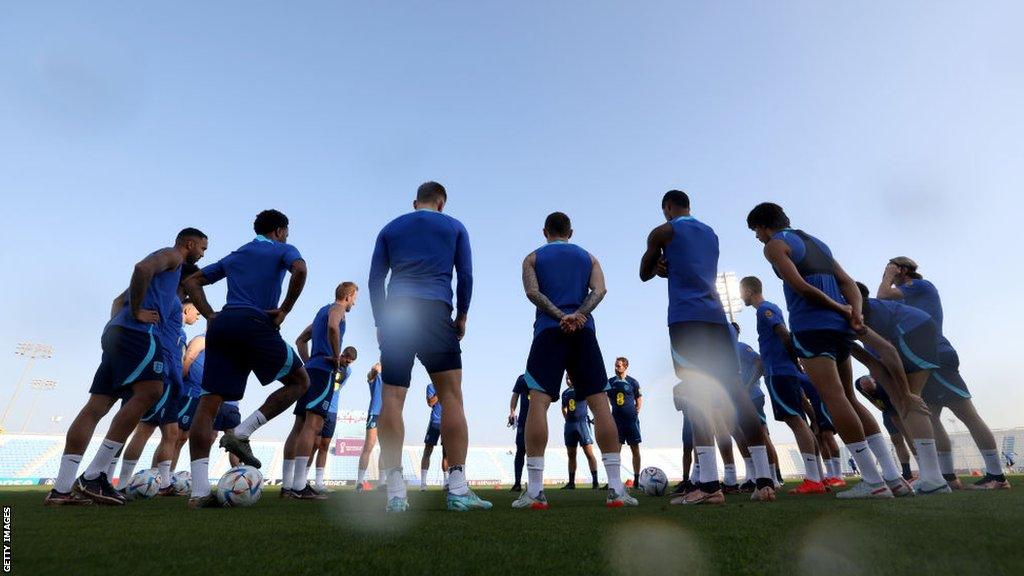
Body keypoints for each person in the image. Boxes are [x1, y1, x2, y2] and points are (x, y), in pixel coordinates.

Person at [745, 202, 916, 499]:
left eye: (756, 231)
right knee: (849, 396)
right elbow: (848, 282)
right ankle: (894, 479)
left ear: (763, 226)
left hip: (813, 326)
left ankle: (874, 483)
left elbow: (798, 285)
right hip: (840, 327)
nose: (758, 238)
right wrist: (855, 313)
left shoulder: (774, 245)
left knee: (834, 397)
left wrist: (839, 307)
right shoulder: (816, 242)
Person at [45, 228, 208, 506]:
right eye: (203, 248)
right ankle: (95, 475)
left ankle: (61, 489)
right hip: (138, 335)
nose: (203, 253)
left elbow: (116, 301)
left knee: (97, 406)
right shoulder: (173, 256)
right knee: (150, 393)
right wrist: (136, 315)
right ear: (189, 244)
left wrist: (118, 325)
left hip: (119, 334)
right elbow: (141, 267)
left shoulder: (165, 285)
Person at [642, 191, 775, 505]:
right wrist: (669, 263)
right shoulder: (710, 233)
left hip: (687, 319)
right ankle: (764, 481)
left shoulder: (664, 231)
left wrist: (658, 261)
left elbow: (644, 273)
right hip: (718, 319)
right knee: (736, 393)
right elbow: (691, 263)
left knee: (696, 392)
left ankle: (710, 486)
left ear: (668, 208)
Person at [368, 182, 490, 512]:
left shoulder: (391, 228)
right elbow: (465, 275)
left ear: (414, 202)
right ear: (441, 203)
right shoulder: (454, 226)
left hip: (398, 315)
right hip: (436, 311)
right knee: (451, 397)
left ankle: (395, 492)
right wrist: (462, 315)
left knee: (392, 396)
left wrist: (381, 322)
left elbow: (375, 279)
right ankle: (458, 489)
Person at [183, 210, 311, 508]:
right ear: (280, 231)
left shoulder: (237, 254)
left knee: (208, 403)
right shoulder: (283, 249)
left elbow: (192, 282)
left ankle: (199, 493)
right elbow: (301, 270)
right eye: (286, 233)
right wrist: (284, 310)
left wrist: (210, 314)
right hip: (256, 323)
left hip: (224, 324)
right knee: (300, 381)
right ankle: (242, 432)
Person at [514, 212, 637, 510]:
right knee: (599, 404)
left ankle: (535, 492)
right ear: (571, 231)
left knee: (539, 403)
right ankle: (616, 490)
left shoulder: (531, 257)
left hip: (547, 331)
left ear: (545, 231)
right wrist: (579, 314)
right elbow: (600, 290)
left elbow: (532, 291)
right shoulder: (589, 257)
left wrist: (560, 316)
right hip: (584, 332)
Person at [877, 258, 1009, 490]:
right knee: (932, 417)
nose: (890, 275)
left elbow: (882, 298)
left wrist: (888, 276)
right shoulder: (907, 295)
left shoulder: (919, 285)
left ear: (903, 270)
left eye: (893, 270)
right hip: (924, 357)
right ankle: (949, 477)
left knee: (967, 414)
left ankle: (997, 476)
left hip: (936, 356)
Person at [739, 276, 828, 495]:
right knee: (800, 422)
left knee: (796, 422)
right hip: (783, 370)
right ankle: (818, 477)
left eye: (742, 291)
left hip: (778, 372)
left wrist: (795, 362)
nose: (741, 296)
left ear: (749, 290)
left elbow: (783, 333)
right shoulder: (771, 307)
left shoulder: (764, 309)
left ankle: (814, 479)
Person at [114, 294, 200, 495]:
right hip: (162, 380)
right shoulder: (169, 324)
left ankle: (164, 483)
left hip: (173, 386)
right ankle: (122, 483)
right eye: (196, 311)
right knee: (145, 429)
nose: (198, 316)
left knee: (171, 434)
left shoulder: (180, 332)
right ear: (186, 310)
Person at [282, 282, 359, 500]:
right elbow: (334, 327)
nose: (354, 302)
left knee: (298, 425)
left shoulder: (320, 313)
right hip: (323, 370)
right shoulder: (338, 309)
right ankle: (299, 487)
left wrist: (308, 363)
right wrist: (336, 357)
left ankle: (287, 487)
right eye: (355, 298)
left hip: (311, 370)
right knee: (313, 425)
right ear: (348, 295)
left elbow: (300, 340)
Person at [856, 375, 915, 481]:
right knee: (897, 441)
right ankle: (907, 473)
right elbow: (871, 400)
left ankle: (926, 468)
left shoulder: (883, 390)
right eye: (865, 388)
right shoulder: (858, 385)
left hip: (899, 409)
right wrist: (882, 409)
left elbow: (895, 415)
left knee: (910, 438)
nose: (867, 390)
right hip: (887, 412)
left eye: (870, 387)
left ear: (874, 382)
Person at [606, 357, 642, 488]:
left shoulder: (633, 382)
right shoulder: (610, 382)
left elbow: (639, 399)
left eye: (619, 366)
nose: (616, 368)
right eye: (615, 365)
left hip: (631, 421)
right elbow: (608, 398)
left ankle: (637, 480)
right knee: (615, 451)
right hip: (617, 421)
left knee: (635, 449)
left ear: (625, 367)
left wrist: (635, 412)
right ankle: (614, 480)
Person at [562, 376, 599, 490]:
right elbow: (564, 408)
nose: (569, 380)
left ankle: (595, 482)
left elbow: (592, 404)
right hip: (570, 425)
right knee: (571, 454)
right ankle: (571, 483)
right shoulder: (565, 393)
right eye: (567, 378)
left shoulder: (583, 389)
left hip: (582, 424)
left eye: (570, 378)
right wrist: (567, 419)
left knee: (589, 453)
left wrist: (594, 418)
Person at [356, 362, 383, 492]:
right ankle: (359, 482)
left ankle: (382, 483)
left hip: (388, 414)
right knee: (368, 446)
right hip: (375, 413)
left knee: (386, 449)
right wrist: (375, 370)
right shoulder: (376, 372)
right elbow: (371, 374)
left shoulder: (394, 373)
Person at [420, 383, 448, 491]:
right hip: (435, 422)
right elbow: (430, 403)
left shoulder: (450, 384)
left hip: (447, 422)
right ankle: (423, 483)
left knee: (446, 454)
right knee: (428, 450)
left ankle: (446, 483)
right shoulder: (431, 386)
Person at [507, 375, 531, 492]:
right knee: (520, 450)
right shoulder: (522, 378)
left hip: (537, 419)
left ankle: (535, 484)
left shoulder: (542, 375)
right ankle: (517, 483)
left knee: (536, 451)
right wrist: (512, 412)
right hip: (523, 420)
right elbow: (515, 396)